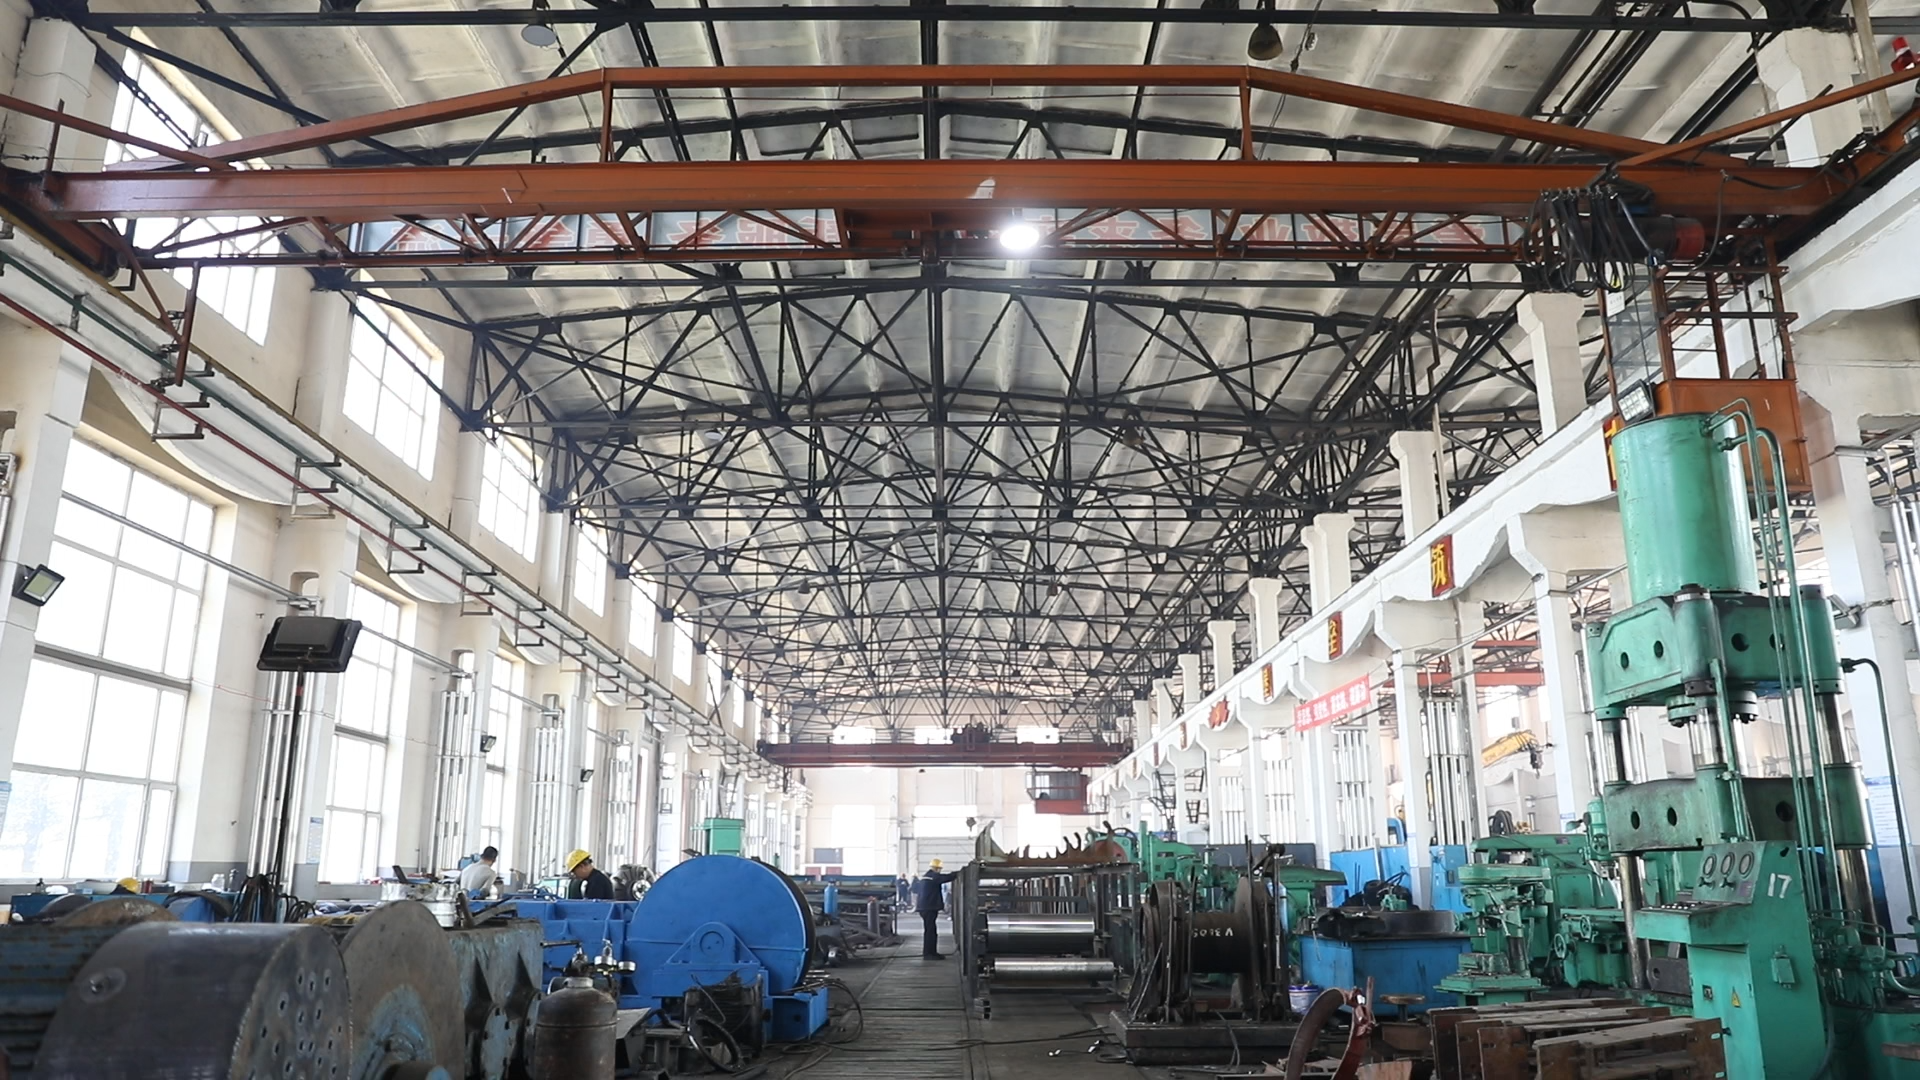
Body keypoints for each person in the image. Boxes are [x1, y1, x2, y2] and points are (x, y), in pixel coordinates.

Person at [913, 858, 957, 959]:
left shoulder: (926, 876)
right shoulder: (933, 877)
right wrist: (957, 873)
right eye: (939, 869)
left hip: (925, 907)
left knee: (930, 931)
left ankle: (930, 952)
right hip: (929, 908)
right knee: (930, 932)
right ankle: (929, 954)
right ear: (937, 868)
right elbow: (947, 877)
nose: (940, 871)